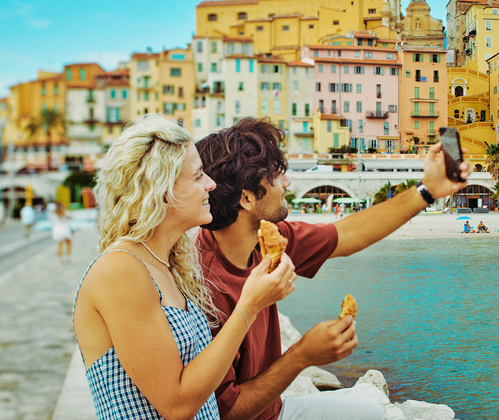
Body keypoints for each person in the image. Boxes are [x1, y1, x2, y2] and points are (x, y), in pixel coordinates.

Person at [195, 117, 470, 420]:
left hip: (274, 410)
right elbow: (224, 411)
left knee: (373, 416)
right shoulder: (205, 287)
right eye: (275, 176)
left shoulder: (268, 240)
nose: (286, 183)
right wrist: (302, 356)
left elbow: (348, 234)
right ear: (246, 198)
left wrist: (427, 190)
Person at [73, 114, 296, 419]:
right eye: (197, 176)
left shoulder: (170, 265)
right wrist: (250, 306)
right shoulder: (120, 270)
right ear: (162, 190)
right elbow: (177, 405)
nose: (211, 184)